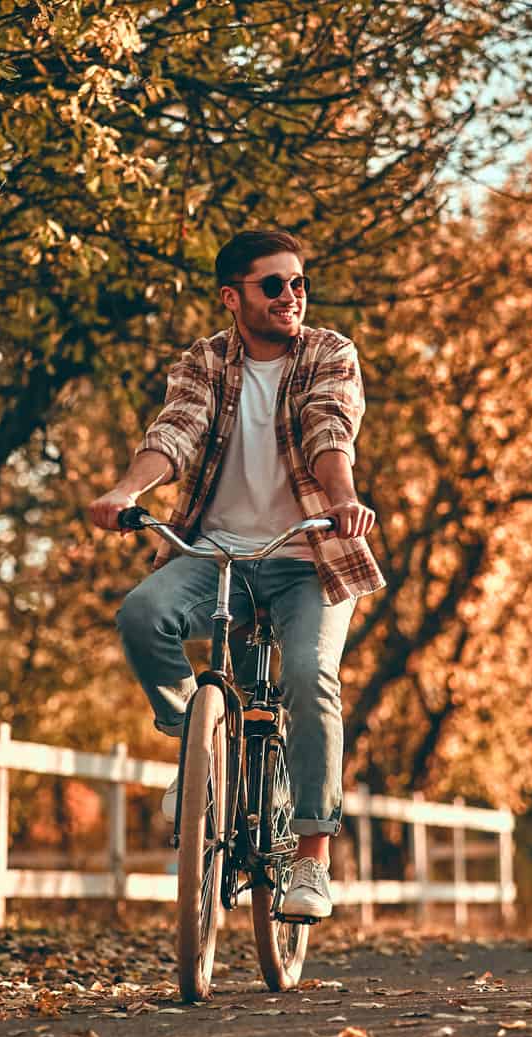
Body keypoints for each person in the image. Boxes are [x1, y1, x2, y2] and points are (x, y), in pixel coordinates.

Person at [88, 230, 383, 920]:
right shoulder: (207, 360)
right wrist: (127, 492)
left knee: (310, 676)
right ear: (232, 296)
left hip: (308, 555)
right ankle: (200, 757)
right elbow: (176, 431)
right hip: (214, 554)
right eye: (273, 285)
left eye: (299, 283)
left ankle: (312, 858)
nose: (292, 297)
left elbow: (327, 426)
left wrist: (342, 500)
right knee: (141, 615)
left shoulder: (329, 353)